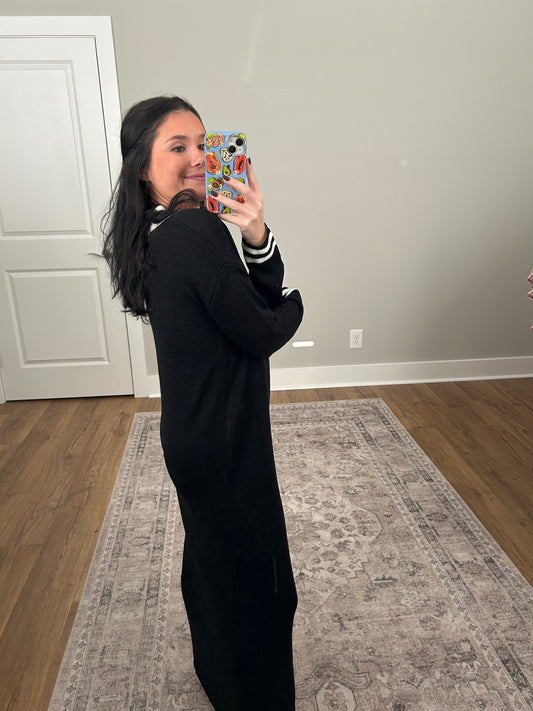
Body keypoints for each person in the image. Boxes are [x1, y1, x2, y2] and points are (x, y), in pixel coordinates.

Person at [103, 95, 303, 710]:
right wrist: (296, 304)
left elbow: (241, 305)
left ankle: (218, 674)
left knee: (215, 564)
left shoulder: (163, 231)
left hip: (194, 436)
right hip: (225, 439)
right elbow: (261, 328)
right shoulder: (195, 231)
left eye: (202, 144)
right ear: (144, 167)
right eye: (177, 147)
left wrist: (254, 232)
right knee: (265, 588)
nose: (197, 158)